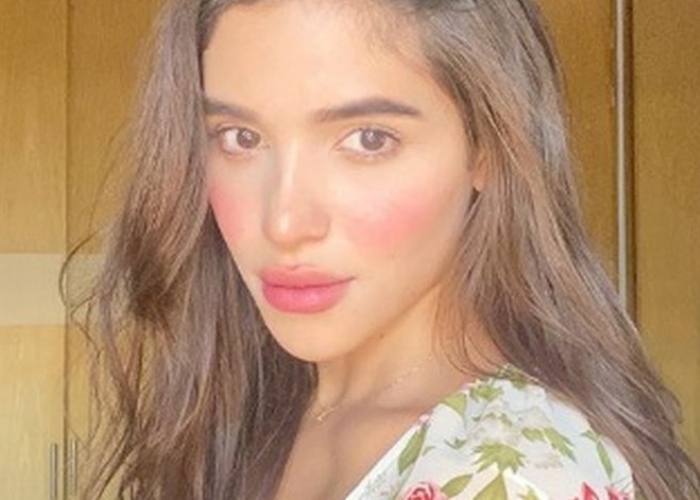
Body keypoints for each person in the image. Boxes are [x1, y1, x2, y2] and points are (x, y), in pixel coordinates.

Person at [73, 0, 700, 498]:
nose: (284, 221)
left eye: (368, 139)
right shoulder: (261, 407)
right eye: (239, 137)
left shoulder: (512, 474)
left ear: (488, 148)